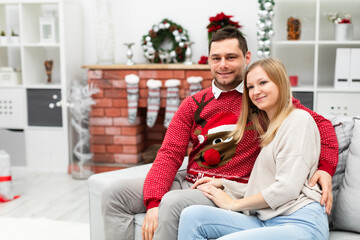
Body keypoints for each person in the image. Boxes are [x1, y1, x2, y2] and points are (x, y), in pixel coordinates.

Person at [101, 26, 338, 240]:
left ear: (246, 58)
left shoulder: (261, 98)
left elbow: (322, 126)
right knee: (114, 193)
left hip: (227, 188)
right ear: (209, 61)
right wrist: (153, 202)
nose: (223, 64)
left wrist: (325, 169)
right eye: (217, 58)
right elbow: (169, 154)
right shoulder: (193, 103)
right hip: (191, 181)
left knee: (171, 203)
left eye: (231, 57)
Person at [178, 58, 329, 240]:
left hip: (299, 221)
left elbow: (286, 189)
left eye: (263, 83)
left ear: (280, 83)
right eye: (250, 87)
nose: (256, 91)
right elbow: (264, 187)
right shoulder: (271, 129)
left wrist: (233, 204)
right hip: (266, 219)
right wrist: (224, 184)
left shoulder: (299, 120)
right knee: (192, 216)